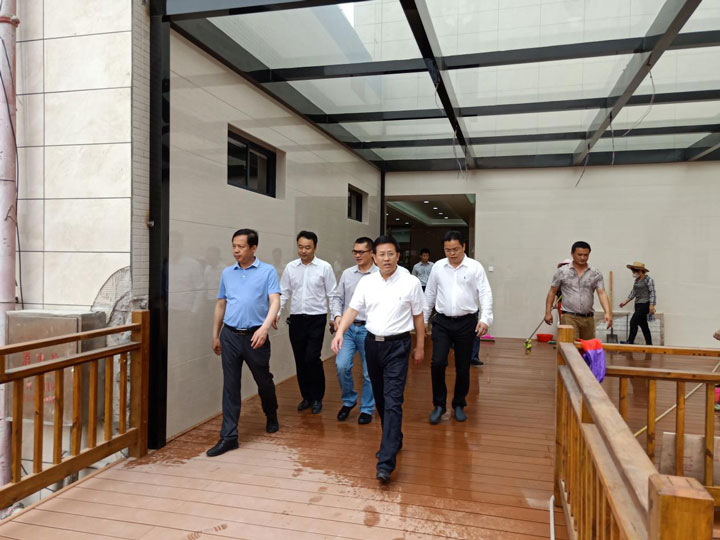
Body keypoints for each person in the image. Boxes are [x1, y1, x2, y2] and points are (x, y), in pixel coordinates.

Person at [331, 235, 425, 483]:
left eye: (391, 254)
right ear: (374, 257)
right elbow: (352, 310)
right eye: (381, 254)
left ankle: (386, 460)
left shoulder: (411, 282)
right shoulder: (367, 283)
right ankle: (395, 438)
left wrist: (420, 346)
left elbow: (418, 316)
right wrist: (339, 333)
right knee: (381, 399)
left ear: (398, 256)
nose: (386, 259)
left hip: (398, 346)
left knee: (393, 399)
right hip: (372, 344)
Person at [207, 229, 281, 457]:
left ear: (253, 248)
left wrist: (264, 328)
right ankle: (229, 437)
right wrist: (215, 334)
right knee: (230, 386)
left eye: (240, 246)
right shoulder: (227, 273)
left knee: (263, 380)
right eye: (234, 246)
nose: (236, 251)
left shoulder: (267, 271)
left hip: (255, 336)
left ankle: (271, 413)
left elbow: (275, 301)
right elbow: (221, 304)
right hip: (230, 335)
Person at [423, 231, 493, 424]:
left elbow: (485, 293)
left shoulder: (475, 267)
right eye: (447, 250)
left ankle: (459, 403)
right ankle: (439, 405)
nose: (451, 253)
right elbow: (429, 295)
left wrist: (485, 319)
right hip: (442, 322)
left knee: (463, 365)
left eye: (455, 249)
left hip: (466, 322)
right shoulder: (438, 267)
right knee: (438, 362)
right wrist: (423, 321)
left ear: (463, 247)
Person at [277, 231, 336, 415]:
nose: (303, 251)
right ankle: (306, 397)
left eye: (307, 247)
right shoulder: (290, 268)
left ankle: (318, 397)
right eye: (300, 247)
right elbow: (284, 293)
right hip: (296, 320)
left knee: (312, 358)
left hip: (316, 318)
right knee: (300, 360)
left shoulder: (324, 267)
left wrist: (335, 316)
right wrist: (277, 312)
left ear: (315, 247)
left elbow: (333, 294)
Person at [329, 237, 377, 425]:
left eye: (361, 252)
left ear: (371, 253)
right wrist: (336, 316)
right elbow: (337, 298)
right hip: (347, 328)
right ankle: (349, 400)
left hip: (369, 329)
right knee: (342, 366)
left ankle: (367, 408)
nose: (357, 255)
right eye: (355, 251)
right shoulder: (347, 274)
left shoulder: (379, 275)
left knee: (368, 372)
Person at [544, 241, 612, 340]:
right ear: (572, 254)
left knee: (587, 347)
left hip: (588, 318)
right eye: (579, 255)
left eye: (586, 255)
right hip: (569, 317)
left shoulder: (595, 273)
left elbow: (602, 293)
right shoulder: (562, 272)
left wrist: (608, 312)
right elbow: (552, 292)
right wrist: (548, 312)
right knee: (570, 346)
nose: (583, 258)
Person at [619, 262, 656, 345]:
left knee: (633, 322)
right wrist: (625, 302)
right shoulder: (636, 281)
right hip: (638, 304)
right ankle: (649, 344)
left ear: (640, 271)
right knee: (643, 325)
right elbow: (633, 293)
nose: (633, 274)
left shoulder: (649, 280)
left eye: (634, 272)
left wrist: (652, 305)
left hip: (645, 304)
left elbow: (652, 293)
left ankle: (630, 341)